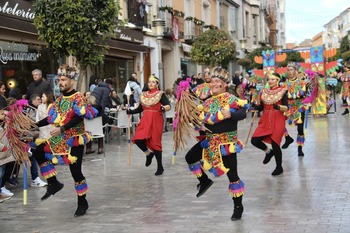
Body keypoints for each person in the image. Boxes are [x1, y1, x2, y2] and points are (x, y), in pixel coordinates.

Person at [183, 67, 248, 221]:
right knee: (190, 157)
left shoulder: (231, 98)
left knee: (232, 175)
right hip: (210, 141)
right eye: (212, 81)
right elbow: (200, 119)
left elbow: (243, 113)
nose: (214, 84)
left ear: (224, 84)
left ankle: (238, 207)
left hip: (226, 143)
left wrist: (231, 114)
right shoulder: (207, 101)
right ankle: (204, 181)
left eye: (217, 81)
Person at [32, 64, 98, 217]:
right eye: (59, 80)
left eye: (63, 79)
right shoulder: (60, 99)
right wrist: (32, 125)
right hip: (59, 138)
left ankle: (82, 202)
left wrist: (62, 128)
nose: (60, 82)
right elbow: (50, 118)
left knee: (76, 172)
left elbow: (78, 117)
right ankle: (54, 183)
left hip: (74, 139)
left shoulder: (78, 98)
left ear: (71, 81)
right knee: (38, 153)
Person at [126, 75, 171, 176]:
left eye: (153, 82)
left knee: (155, 142)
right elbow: (140, 109)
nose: (151, 84)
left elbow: (168, 105)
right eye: (149, 82)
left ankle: (160, 166)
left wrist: (164, 108)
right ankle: (148, 154)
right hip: (145, 119)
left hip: (156, 119)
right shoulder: (144, 94)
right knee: (137, 139)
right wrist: (130, 111)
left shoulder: (160, 94)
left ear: (157, 84)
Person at [251, 73, 288, 176]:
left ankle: (279, 167)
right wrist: (254, 107)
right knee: (254, 140)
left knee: (275, 143)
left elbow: (287, 107)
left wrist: (279, 107)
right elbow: (262, 106)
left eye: (272, 79)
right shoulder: (264, 91)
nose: (270, 81)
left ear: (277, 80)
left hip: (278, 118)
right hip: (266, 118)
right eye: (269, 79)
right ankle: (268, 151)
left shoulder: (283, 91)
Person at [283, 62, 309, 156]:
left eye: (291, 70)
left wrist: (290, 95)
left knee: (300, 129)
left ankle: (300, 148)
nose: (289, 72)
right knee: (280, 122)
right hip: (288, 107)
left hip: (299, 107)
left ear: (295, 71)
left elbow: (302, 93)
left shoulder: (302, 82)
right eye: (288, 70)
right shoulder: (285, 84)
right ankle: (287, 138)